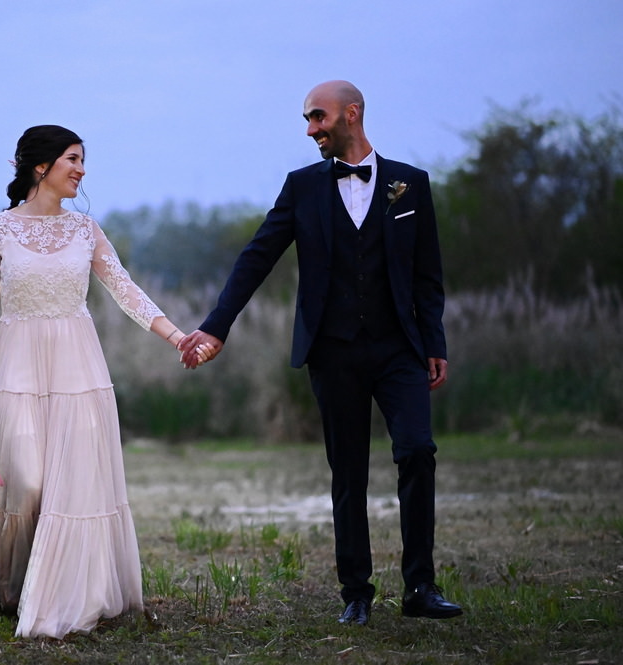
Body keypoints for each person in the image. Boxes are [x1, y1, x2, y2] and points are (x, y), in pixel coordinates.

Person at [179, 81, 463, 626]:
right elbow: (256, 257)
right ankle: (356, 591)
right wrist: (217, 327)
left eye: (318, 117)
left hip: (400, 348)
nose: (311, 129)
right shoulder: (302, 187)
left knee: (417, 451)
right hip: (331, 352)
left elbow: (428, 276)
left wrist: (434, 343)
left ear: (351, 114)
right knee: (348, 470)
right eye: (308, 120)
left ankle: (420, 587)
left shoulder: (412, 184)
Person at [0, 125, 198, 639]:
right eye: (73, 160)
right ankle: (12, 589)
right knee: (25, 480)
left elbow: (126, 290)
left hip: (78, 367)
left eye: (82, 160)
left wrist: (177, 336)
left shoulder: (86, 230)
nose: (81, 169)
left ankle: (66, 595)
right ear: (41, 167)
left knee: (72, 486)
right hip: (17, 367)